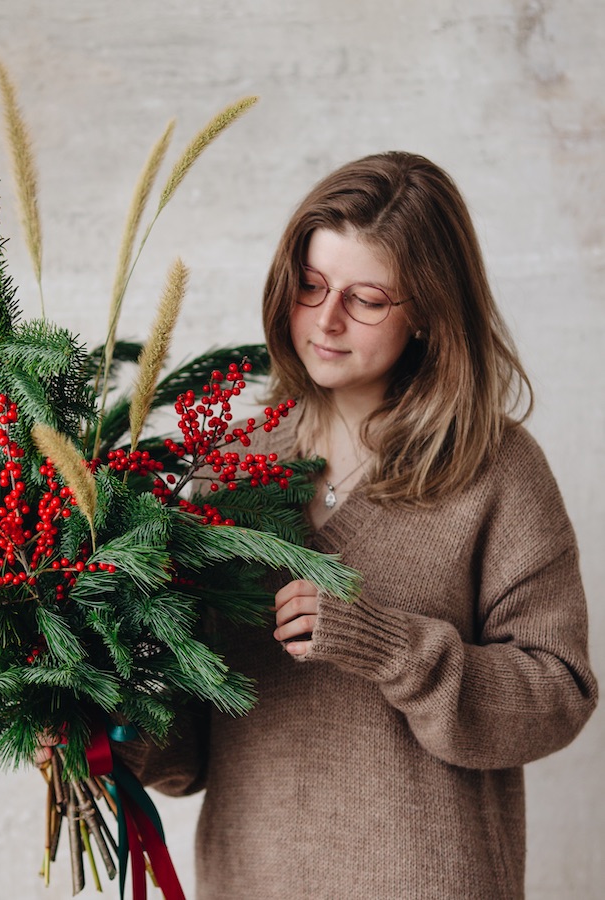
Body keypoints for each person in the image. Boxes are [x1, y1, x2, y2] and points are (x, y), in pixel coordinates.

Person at [114, 151, 598, 899]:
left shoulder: (496, 469)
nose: (326, 319)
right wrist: (112, 734)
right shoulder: (226, 470)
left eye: (366, 298)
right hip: (251, 881)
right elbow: (199, 744)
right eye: (310, 286)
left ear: (431, 312)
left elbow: (558, 696)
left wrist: (391, 646)